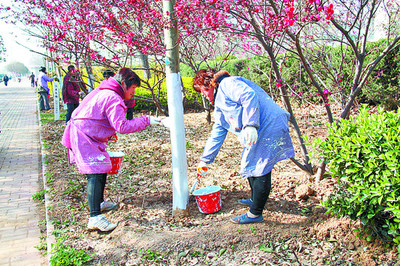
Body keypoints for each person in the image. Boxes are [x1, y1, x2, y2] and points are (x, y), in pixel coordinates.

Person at [62, 68, 161, 232]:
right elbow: (122, 126)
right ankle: (95, 217)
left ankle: (99, 203)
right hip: (84, 135)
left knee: (100, 170)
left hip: (88, 133)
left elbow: (100, 117)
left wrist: (108, 132)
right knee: (95, 172)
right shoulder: (112, 97)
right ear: (123, 84)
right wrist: (147, 120)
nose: (133, 93)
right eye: (133, 88)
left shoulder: (106, 90)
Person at [193, 69, 295, 224]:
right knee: (250, 163)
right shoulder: (220, 104)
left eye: (205, 89)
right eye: (202, 91)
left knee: (260, 167)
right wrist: (205, 160)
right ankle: (255, 199)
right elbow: (218, 131)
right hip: (260, 127)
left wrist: (251, 125)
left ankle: (255, 214)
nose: (204, 94)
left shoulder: (227, 84)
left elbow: (249, 95)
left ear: (213, 84)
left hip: (268, 125)